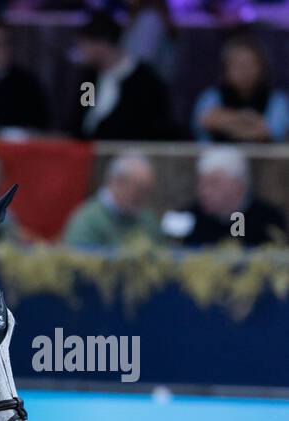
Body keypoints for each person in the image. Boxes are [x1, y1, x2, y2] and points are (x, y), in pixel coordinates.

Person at [74, 12, 176, 141]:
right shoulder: (90, 81)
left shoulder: (144, 80)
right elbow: (81, 118)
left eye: (84, 45)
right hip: (88, 152)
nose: (82, 52)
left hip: (130, 154)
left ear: (102, 44)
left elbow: (151, 126)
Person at [167, 147, 286, 248]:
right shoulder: (183, 217)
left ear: (239, 186)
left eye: (213, 183)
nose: (203, 191)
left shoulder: (268, 220)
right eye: (201, 183)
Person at [192, 34, 289, 144]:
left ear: (262, 68)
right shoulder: (212, 96)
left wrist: (224, 122)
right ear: (226, 69)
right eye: (238, 65)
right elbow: (205, 121)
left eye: (250, 65)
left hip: (265, 159)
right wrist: (246, 117)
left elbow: (269, 131)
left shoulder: (277, 99)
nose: (244, 72)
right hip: (219, 156)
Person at [61, 152, 161, 249]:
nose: (143, 197)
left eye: (147, 191)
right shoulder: (88, 221)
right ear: (117, 183)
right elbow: (78, 260)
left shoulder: (147, 219)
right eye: (139, 190)